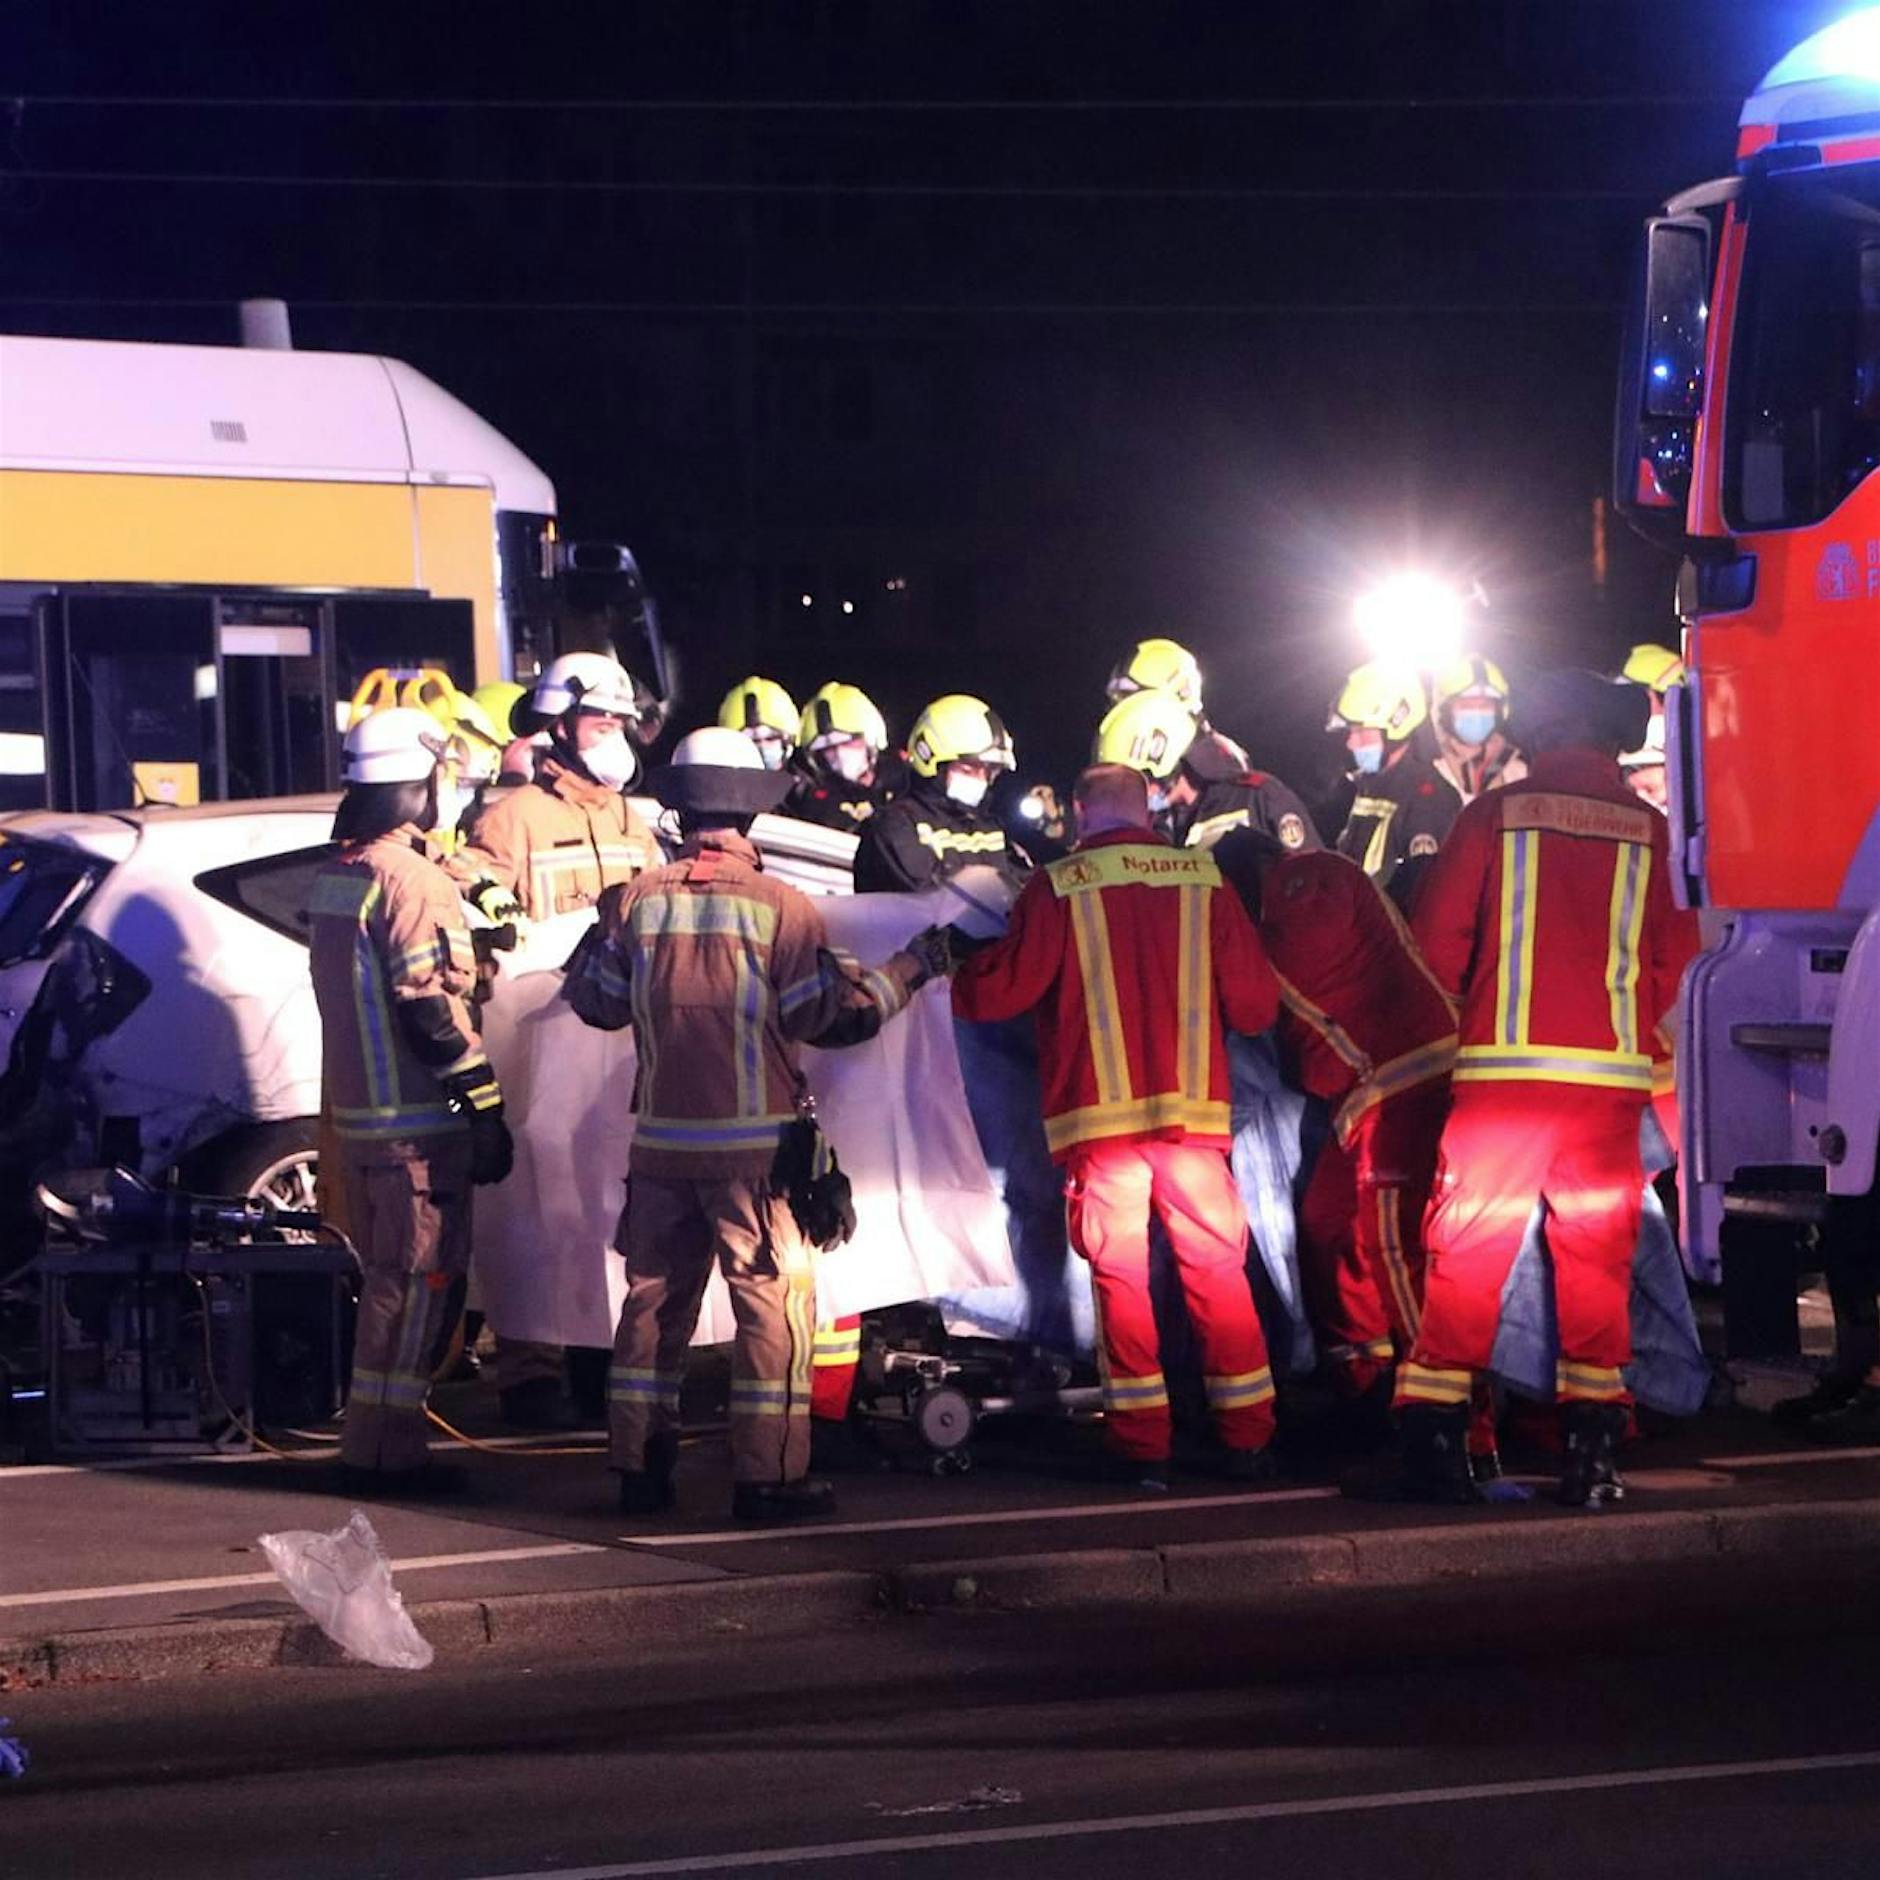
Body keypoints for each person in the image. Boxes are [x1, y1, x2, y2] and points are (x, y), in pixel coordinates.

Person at [562, 727, 944, 1522]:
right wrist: (912, 968)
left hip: (660, 1147)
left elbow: (595, 1003)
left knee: (652, 1309)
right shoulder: (782, 907)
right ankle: (766, 1479)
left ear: (683, 808)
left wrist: (596, 932)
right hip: (754, 1156)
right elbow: (828, 1020)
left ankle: (638, 1471)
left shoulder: (638, 901)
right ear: (752, 814)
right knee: (770, 1309)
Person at [1370, 670, 1699, 1508]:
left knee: (1468, 1256)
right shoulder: (1654, 833)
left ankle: (1433, 1452)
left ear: (1544, 732)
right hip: (1607, 1093)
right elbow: (1676, 965)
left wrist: (1481, 1010)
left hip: (1503, 1086)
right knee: (1595, 1267)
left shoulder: (1492, 816)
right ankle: (1593, 1460)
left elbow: (1435, 945)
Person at [951, 763, 1285, 1488]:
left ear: (1078, 810)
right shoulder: (1202, 878)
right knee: (1219, 1274)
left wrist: (952, 967)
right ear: (1151, 805)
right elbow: (1257, 1007)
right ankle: (1249, 1440)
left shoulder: (1059, 885)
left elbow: (1003, 991)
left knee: (1120, 1280)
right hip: (1194, 1125)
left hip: (1102, 1130)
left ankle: (1144, 1451)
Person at [308, 706, 514, 1493]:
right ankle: (388, 1457)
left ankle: (377, 1446)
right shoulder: (413, 881)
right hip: (419, 1134)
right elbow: (427, 1005)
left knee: (391, 1285)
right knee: (419, 1288)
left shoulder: (343, 873)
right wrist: (485, 1108)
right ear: (415, 784)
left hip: (364, 1127)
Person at [458, 651, 661, 1428]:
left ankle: (596, 1358)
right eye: (601, 720)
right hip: (538, 1054)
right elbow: (476, 908)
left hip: (615, 1055)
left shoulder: (627, 818)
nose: (614, 736)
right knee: (537, 1214)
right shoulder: (512, 817)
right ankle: (530, 1371)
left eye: (619, 722)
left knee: (605, 1212)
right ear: (561, 724)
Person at [1212, 831, 1461, 1444]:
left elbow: (1266, 1000)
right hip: (1382, 1088)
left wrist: (1233, 941)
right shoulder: (1324, 875)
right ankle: (1364, 1378)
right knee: (1331, 1226)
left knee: (1394, 1250)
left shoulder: (1306, 880)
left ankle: (1433, 1417)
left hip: (1400, 1081)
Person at [1093, 688, 1319, 854]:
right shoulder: (1156, 828)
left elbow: (1318, 882)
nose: (1140, 794)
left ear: (1167, 758)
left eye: (1140, 780)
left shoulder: (1258, 798)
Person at [852, 693, 1028, 894]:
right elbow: (935, 906)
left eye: (989, 770)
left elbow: (1027, 891)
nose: (980, 778)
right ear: (932, 762)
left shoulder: (991, 829)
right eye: (969, 768)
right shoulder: (895, 826)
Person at [1327, 660, 1461, 907]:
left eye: (1362, 732)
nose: (1351, 743)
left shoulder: (1428, 800)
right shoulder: (1365, 785)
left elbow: (1425, 898)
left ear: (1398, 725)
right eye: (1350, 732)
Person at [786, 682, 891, 831]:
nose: (840, 754)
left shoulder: (904, 785)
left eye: (848, 742)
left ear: (872, 741)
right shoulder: (811, 805)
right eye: (828, 749)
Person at [1430, 654, 1527, 804]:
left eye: (1485, 706)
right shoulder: (1429, 771)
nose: (1476, 714)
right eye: (1466, 706)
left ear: (1499, 713)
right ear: (1446, 713)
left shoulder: (1518, 773)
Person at [717, 675, 799, 773]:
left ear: (789, 740)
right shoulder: (717, 786)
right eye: (750, 741)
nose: (762, 748)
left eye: (770, 738)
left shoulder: (806, 787)